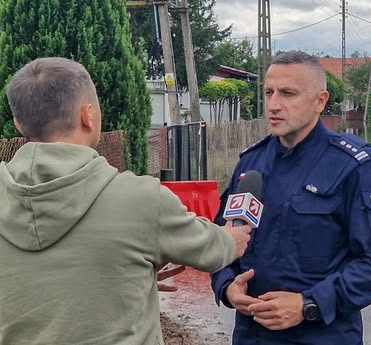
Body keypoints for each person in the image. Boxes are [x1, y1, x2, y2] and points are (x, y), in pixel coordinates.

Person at [0, 57, 253, 345]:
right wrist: (234, 236)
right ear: (89, 115)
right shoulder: (142, 200)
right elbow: (213, 251)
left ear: (18, 125)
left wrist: (122, 275)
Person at [211, 51, 371, 344]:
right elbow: (219, 242)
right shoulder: (250, 164)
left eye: (288, 93)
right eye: (269, 92)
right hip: (252, 335)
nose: (274, 105)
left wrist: (309, 304)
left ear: (320, 101)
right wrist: (227, 286)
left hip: (323, 336)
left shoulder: (352, 168)